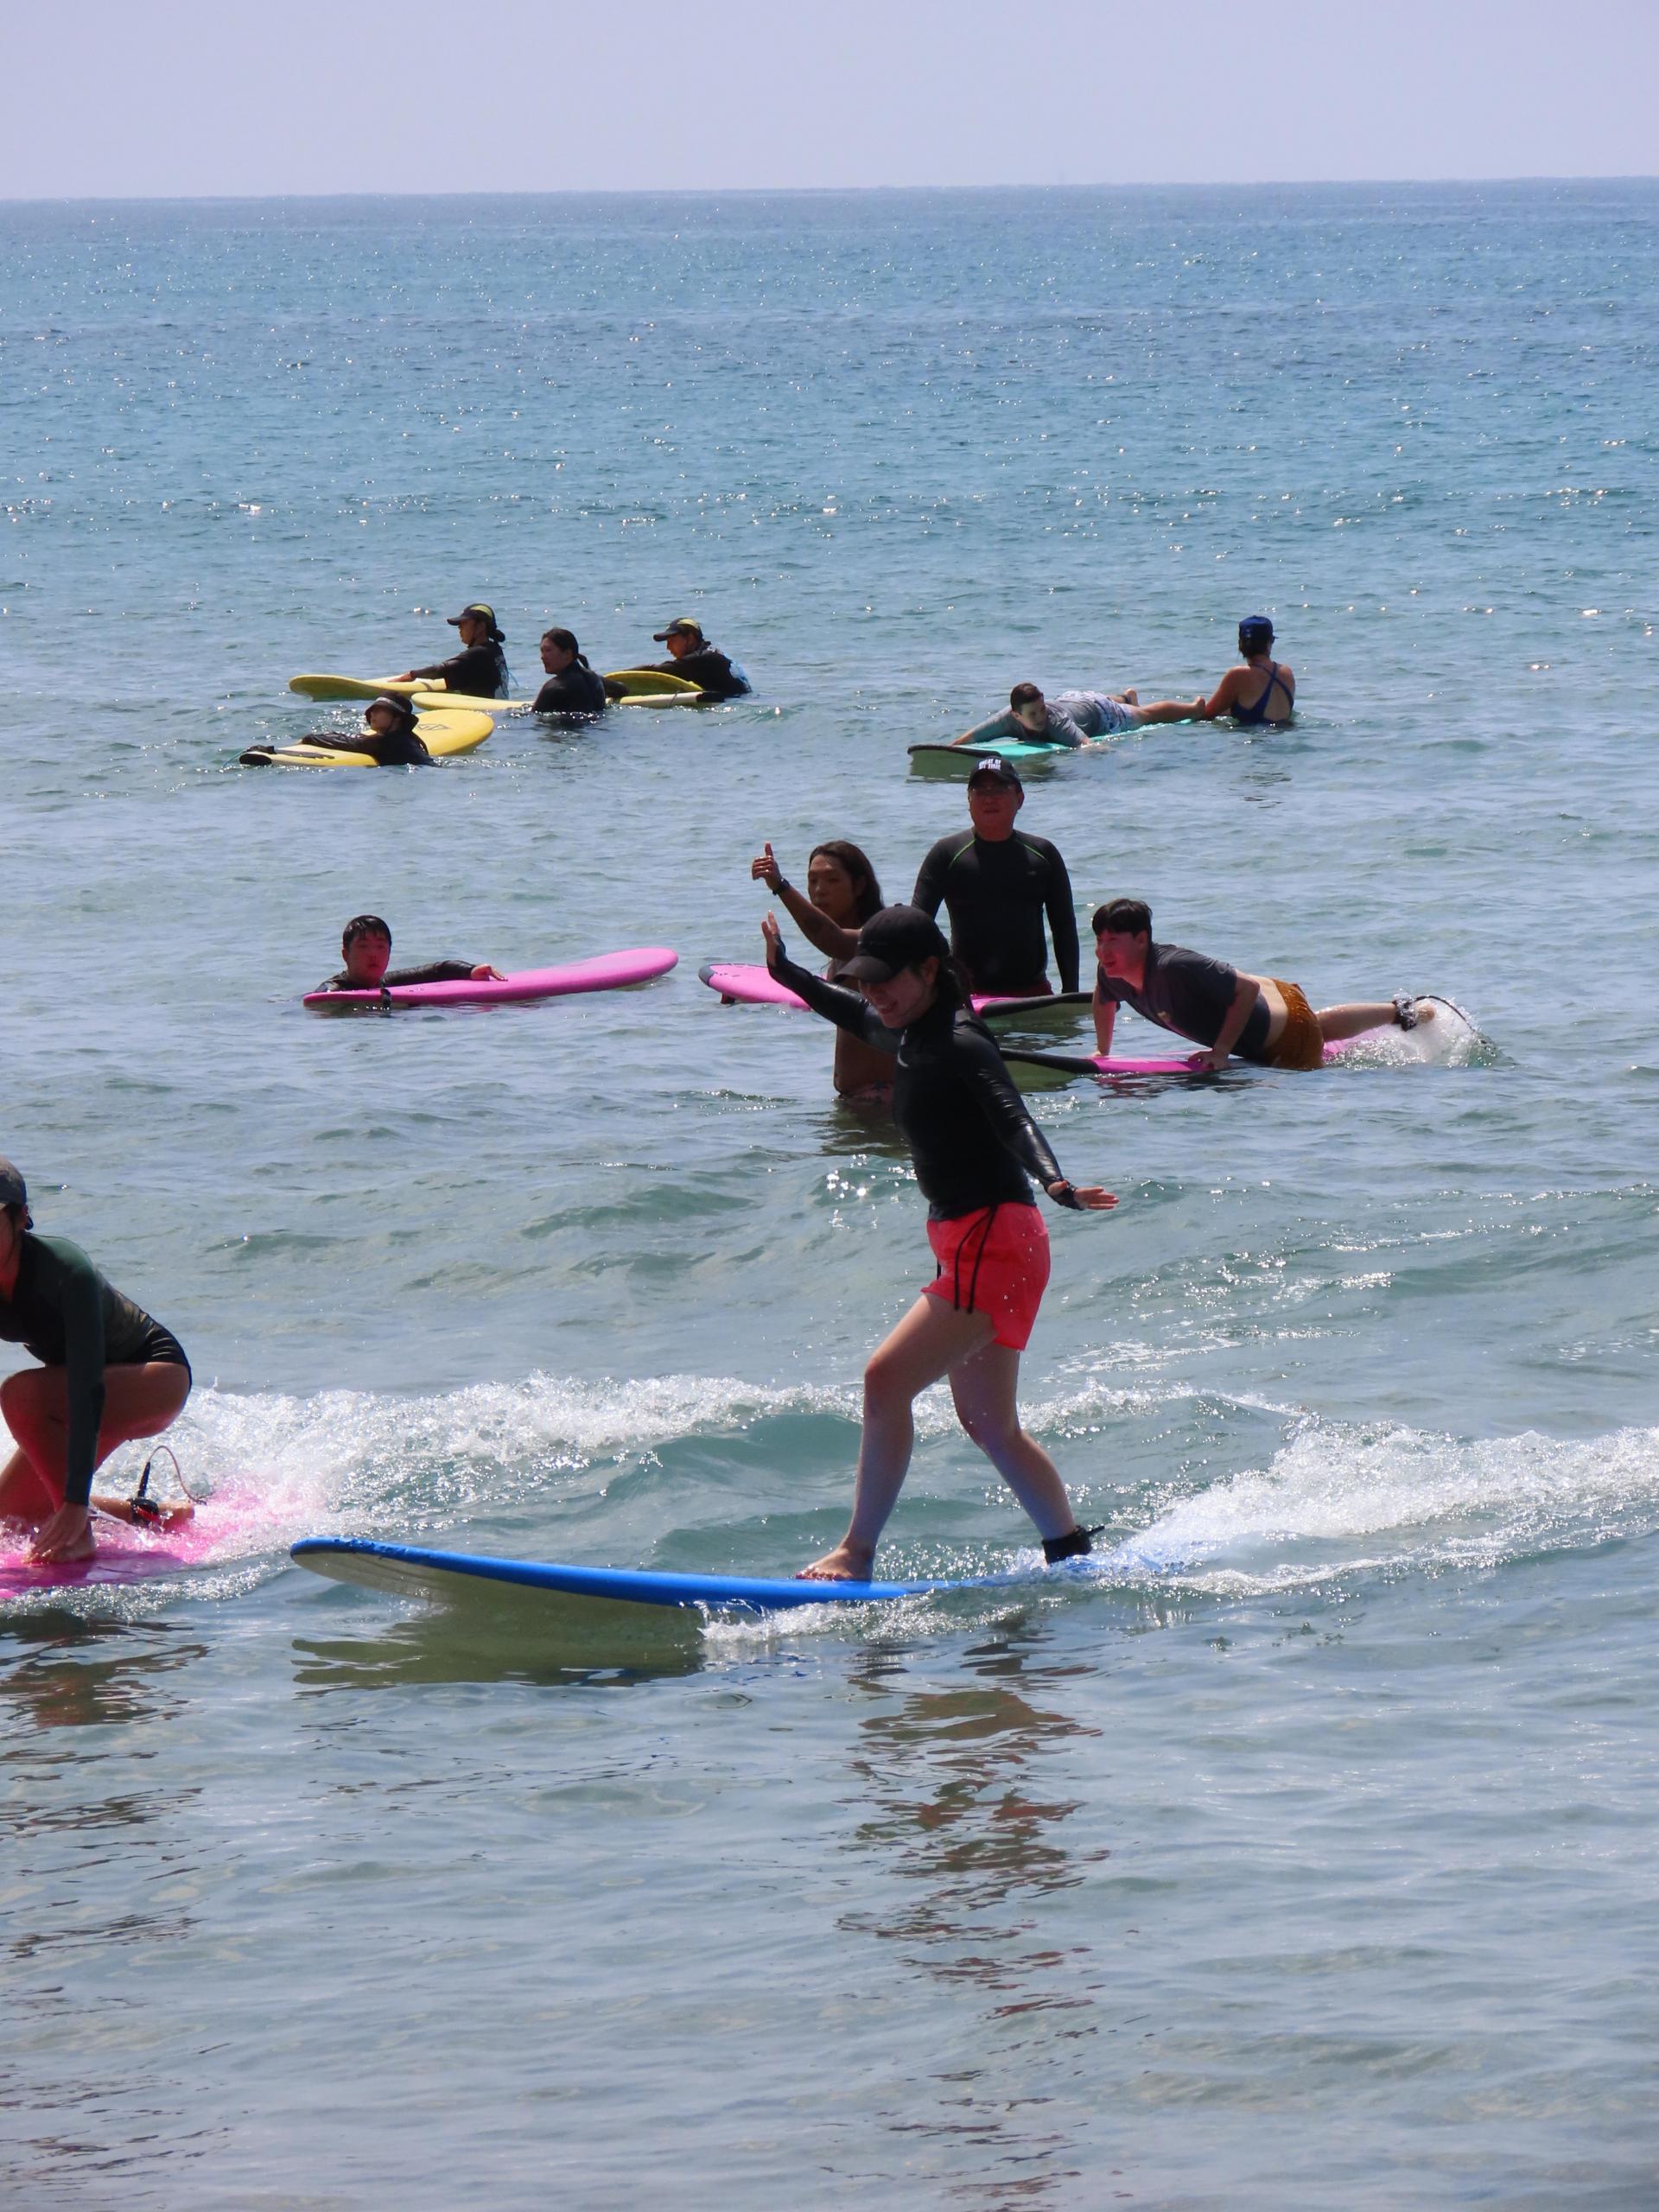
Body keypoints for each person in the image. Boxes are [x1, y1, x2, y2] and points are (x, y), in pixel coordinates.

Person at [759, 906, 1115, 1581]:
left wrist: (1056, 1181)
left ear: (929, 970)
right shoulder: (907, 1032)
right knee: (990, 1425)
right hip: (982, 1243)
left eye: (886, 980)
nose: (874, 993)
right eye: (866, 980)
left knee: (884, 1381)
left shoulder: (960, 1041)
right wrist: (785, 971)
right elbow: (846, 1010)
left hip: (993, 1241)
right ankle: (1069, 1552)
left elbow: (1012, 1115)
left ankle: (856, 1553)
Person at [0, 1160, 194, 1566]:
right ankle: (148, 1514)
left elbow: (87, 1387)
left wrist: (72, 1503)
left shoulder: (66, 1271)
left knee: (18, 1396)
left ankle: (79, 1531)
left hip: (154, 1378)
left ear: (20, 1218)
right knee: (8, 1518)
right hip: (73, 1394)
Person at [1090, 897, 1431, 1072]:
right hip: (1276, 1003)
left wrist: (1220, 1053)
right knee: (1320, 1027)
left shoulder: (1173, 967)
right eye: (1099, 941)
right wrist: (1103, 1051)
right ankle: (1401, 1013)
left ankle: (1400, 1015)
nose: (1103, 951)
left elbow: (1247, 989)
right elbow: (1104, 1000)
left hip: (1290, 1036)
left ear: (1141, 939)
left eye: (1113, 941)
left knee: (1317, 1039)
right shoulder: (1111, 972)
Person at [912, 759, 1080, 998]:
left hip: (1033, 994)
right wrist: (939, 973)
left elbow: (1064, 927)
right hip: (968, 997)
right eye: (979, 790)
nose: (989, 798)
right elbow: (918, 922)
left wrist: (1070, 994)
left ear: (1020, 798)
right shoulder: (946, 853)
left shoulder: (1044, 854)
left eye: (999, 789)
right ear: (969, 801)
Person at [749, 839, 893, 1102]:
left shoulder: (880, 937)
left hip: (884, 1102)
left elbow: (832, 938)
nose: (819, 890)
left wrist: (780, 886)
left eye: (832, 880)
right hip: (858, 1102)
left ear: (859, 886)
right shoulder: (840, 952)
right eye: (812, 880)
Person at [955, 679, 1199, 748]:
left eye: (1042, 709)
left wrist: (1116, 754)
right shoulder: (1005, 718)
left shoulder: (1056, 722)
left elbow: (1086, 745)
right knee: (1103, 699)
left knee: (1145, 715)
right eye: (1033, 714)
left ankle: (1194, 708)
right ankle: (1126, 698)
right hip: (1074, 699)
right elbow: (971, 738)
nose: (1040, 717)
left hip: (1101, 713)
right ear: (1016, 716)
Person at [318, 915, 504, 994]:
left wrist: (471, 971)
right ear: (345, 955)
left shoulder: (385, 983)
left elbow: (438, 971)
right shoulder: (333, 990)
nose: (373, 954)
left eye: (381, 947)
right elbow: (318, 1003)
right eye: (364, 946)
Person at [394, 602, 511, 699]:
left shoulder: (478, 653)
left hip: (487, 714)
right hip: (500, 711)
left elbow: (441, 670)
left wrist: (411, 675)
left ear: (480, 627)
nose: (459, 628)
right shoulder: (495, 650)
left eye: (464, 623)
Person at [1196, 615, 1295, 727]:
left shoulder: (1238, 675)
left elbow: (1206, 714)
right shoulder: (1287, 672)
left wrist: (1197, 704)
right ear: (1270, 642)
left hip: (1253, 735)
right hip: (1284, 734)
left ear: (1241, 644)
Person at [634, 616, 751, 700]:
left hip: (732, 704)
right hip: (741, 700)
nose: (668, 647)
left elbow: (656, 670)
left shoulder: (701, 659)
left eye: (672, 641)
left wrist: (623, 677)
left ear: (690, 638)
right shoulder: (713, 653)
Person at [300, 695, 433, 767]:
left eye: (380, 710)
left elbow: (349, 743)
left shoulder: (388, 742)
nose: (373, 714)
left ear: (397, 718)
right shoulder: (406, 738)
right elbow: (359, 740)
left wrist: (310, 739)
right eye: (373, 710)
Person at [532, 628, 609, 720]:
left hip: (569, 728)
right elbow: (621, 689)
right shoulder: (595, 678)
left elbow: (533, 718)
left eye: (548, 650)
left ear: (567, 654)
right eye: (542, 651)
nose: (542, 657)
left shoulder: (553, 687)